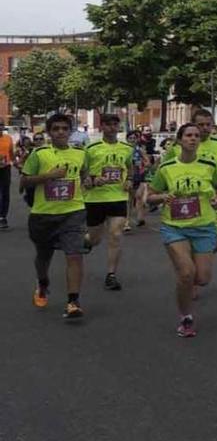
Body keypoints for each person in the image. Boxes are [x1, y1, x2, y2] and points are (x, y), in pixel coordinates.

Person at [146, 123, 217, 337]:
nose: (193, 139)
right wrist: (163, 197)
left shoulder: (209, 165)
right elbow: (150, 195)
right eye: (188, 135)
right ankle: (186, 318)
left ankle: (185, 279)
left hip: (204, 226)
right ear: (179, 140)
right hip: (175, 227)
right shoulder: (167, 167)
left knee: (202, 279)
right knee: (186, 273)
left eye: (197, 136)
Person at [21, 114, 90, 319]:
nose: (61, 132)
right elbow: (24, 181)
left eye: (64, 128)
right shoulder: (39, 154)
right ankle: (42, 282)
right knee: (44, 256)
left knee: (74, 254)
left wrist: (90, 182)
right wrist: (49, 176)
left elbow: (84, 175)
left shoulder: (80, 154)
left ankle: (73, 301)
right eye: (56, 128)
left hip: (73, 212)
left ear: (70, 131)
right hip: (44, 214)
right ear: (50, 132)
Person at [167, 109, 217, 248]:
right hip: (185, 201)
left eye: (208, 124)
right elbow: (164, 169)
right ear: (193, 124)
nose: (205, 128)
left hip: (211, 201)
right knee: (187, 253)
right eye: (201, 124)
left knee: (214, 245)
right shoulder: (178, 146)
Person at [83, 114, 134, 291]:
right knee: (95, 238)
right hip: (95, 198)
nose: (112, 128)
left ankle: (111, 275)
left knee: (116, 235)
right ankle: (87, 242)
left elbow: (130, 167)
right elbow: (83, 173)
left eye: (115, 124)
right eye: (108, 125)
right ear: (102, 127)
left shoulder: (127, 148)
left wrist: (130, 180)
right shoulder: (91, 148)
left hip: (118, 197)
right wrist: (91, 179)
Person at [126, 130, 150, 229]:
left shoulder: (139, 150)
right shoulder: (123, 149)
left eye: (134, 138)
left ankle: (137, 217)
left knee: (134, 198)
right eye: (130, 138)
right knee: (128, 200)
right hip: (126, 177)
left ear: (137, 139)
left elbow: (147, 162)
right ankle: (126, 222)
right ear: (127, 139)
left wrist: (143, 166)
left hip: (136, 177)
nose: (132, 140)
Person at [0, 122, 16, 229]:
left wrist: (18, 164)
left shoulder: (8, 138)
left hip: (5, 168)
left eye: (1, 124)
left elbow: (11, 154)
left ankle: (2, 217)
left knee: (5, 193)